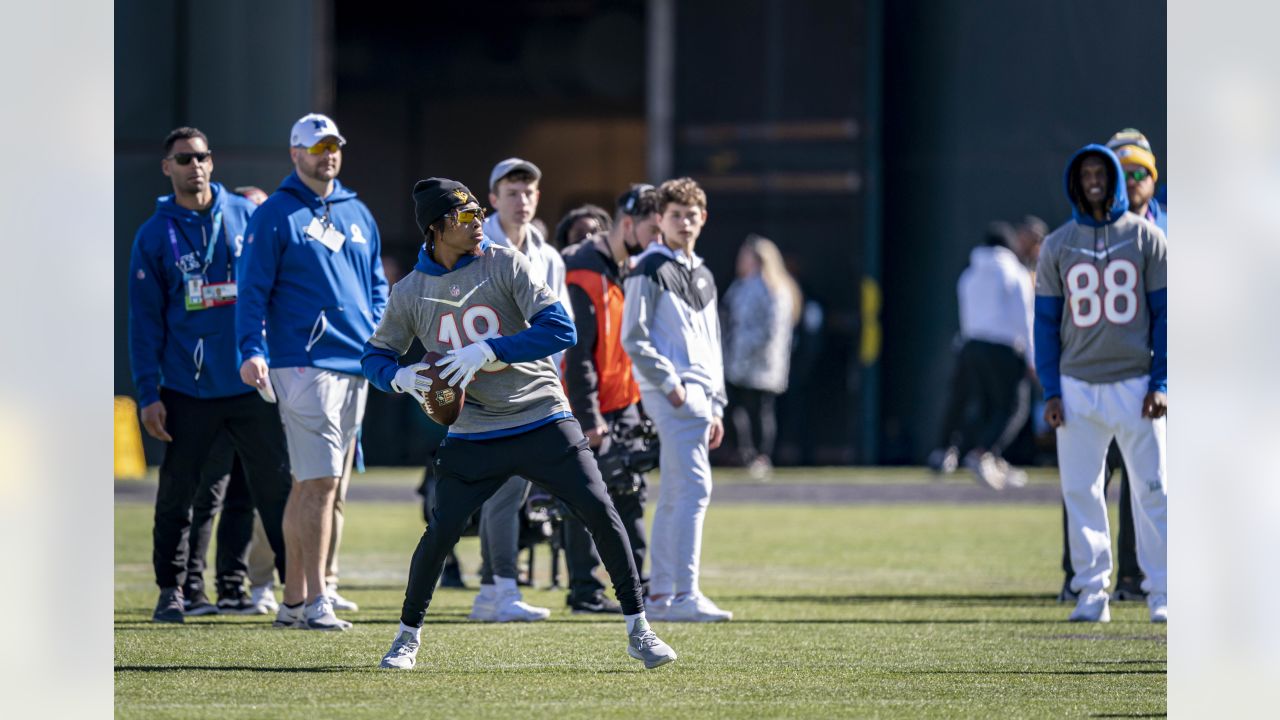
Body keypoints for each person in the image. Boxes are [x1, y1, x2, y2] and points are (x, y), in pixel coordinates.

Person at [362, 177, 676, 670]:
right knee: (440, 530)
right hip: (473, 430)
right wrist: (399, 377)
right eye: (467, 217)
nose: (480, 223)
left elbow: (561, 328)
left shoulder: (504, 261)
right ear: (438, 227)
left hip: (540, 414)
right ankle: (406, 637)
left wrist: (491, 348)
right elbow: (374, 356)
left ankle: (640, 629)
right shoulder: (410, 292)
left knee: (600, 509)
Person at [128, 126, 292, 624]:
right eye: (183, 159)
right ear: (167, 167)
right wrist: (147, 393)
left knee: (277, 491)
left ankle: (301, 591)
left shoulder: (247, 215)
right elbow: (144, 322)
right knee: (179, 494)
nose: (193, 166)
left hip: (251, 383)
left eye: (201, 157)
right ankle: (172, 591)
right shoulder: (155, 235)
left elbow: (281, 287)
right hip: (187, 389)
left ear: (212, 163)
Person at [236, 112, 389, 631]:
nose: (329, 153)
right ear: (295, 154)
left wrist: (381, 337)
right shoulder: (275, 213)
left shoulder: (356, 211)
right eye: (318, 146)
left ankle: (295, 601)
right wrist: (249, 348)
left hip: (356, 365)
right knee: (321, 484)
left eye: (335, 145)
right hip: (302, 362)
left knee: (311, 486)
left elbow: (375, 287)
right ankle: (319, 597)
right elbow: (251, 289)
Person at [1034, 144, 1167, 624]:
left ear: (1112, 179)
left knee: (1155, 489)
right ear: (1075, 180)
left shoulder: (1147, 237)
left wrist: (1163, 380)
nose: (1094, 180)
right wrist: (1051, 389)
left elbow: (1166, 314)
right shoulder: (1058, 244)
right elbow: (1045, 324)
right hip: (1077, 385)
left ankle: (1163, 590)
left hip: (1135, 382)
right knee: (1081, 491)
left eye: (1100, 172)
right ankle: (1092, 590)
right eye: (1085, 173)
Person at [621, 177, 731, 623]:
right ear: (659, 221)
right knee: (694, 489)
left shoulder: (701, 271)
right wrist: (670, 383)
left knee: (677, 492)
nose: (684, 223)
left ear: (702, 219)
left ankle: (665, 595)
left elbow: (713, 341)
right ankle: (683, 594)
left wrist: (718, 403)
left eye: (691, 215)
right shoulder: (648, 267)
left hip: (700, 392)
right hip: (675, 391)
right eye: (675, 215)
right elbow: (634, 335)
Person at [559, 183, 663, 613]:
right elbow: (577, 352)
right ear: (628, 224)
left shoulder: (627, 266)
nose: (658, 240)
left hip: (622, 403)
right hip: (589, 408)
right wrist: (588, 417)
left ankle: (637, 585)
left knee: (629, 491)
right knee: (586, 499)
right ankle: (584, 591)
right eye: (652, 230)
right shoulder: (583, 268)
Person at [928, 222, 1034, 489]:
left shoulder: (969, 274)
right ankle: (982, 453)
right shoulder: (1014, 272)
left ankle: (990, 458)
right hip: (1003, 348)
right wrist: (1034, 359)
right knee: (1014, 408)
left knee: (985, 406)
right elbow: (1026, 318)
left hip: (971, 346)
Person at [722, 234, 801, 480]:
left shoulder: (775, 288)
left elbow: (773, 329)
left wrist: (748, 350)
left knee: (760, 410)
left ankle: (761, 457)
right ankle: (744, 453)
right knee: (733, 408)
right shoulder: (740, 286)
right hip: (735, 360)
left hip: (762, 363)